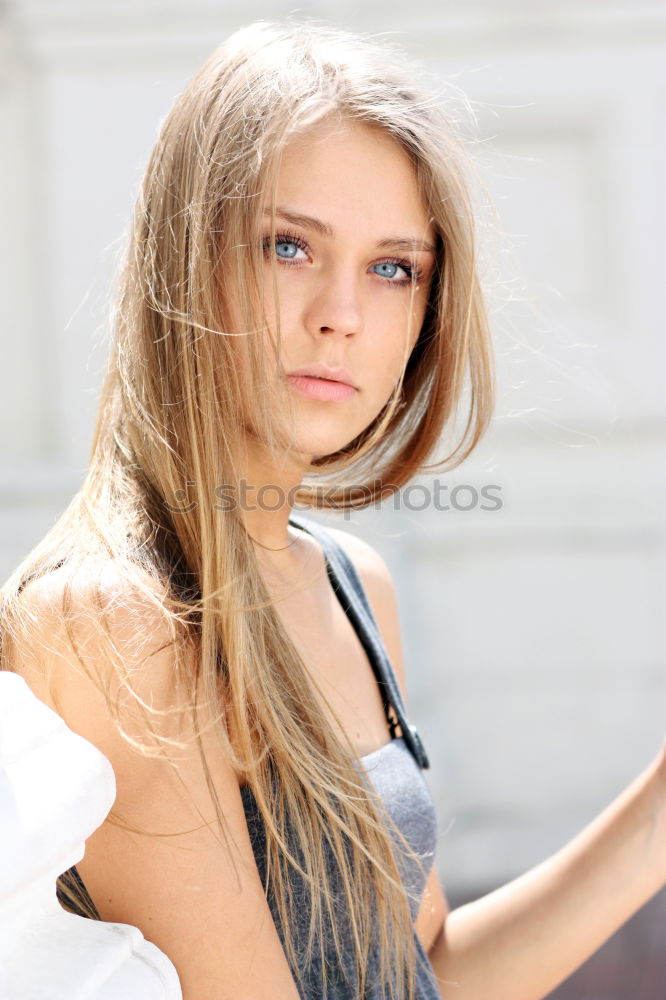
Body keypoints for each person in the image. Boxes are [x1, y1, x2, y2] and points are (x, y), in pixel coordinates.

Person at [0, 18, 663, 1000]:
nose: (342, 314)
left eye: (394, 267)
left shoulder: (351, 584)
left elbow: (422, 977)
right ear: (188, 256)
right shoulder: (110, 623)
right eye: (288, 246)